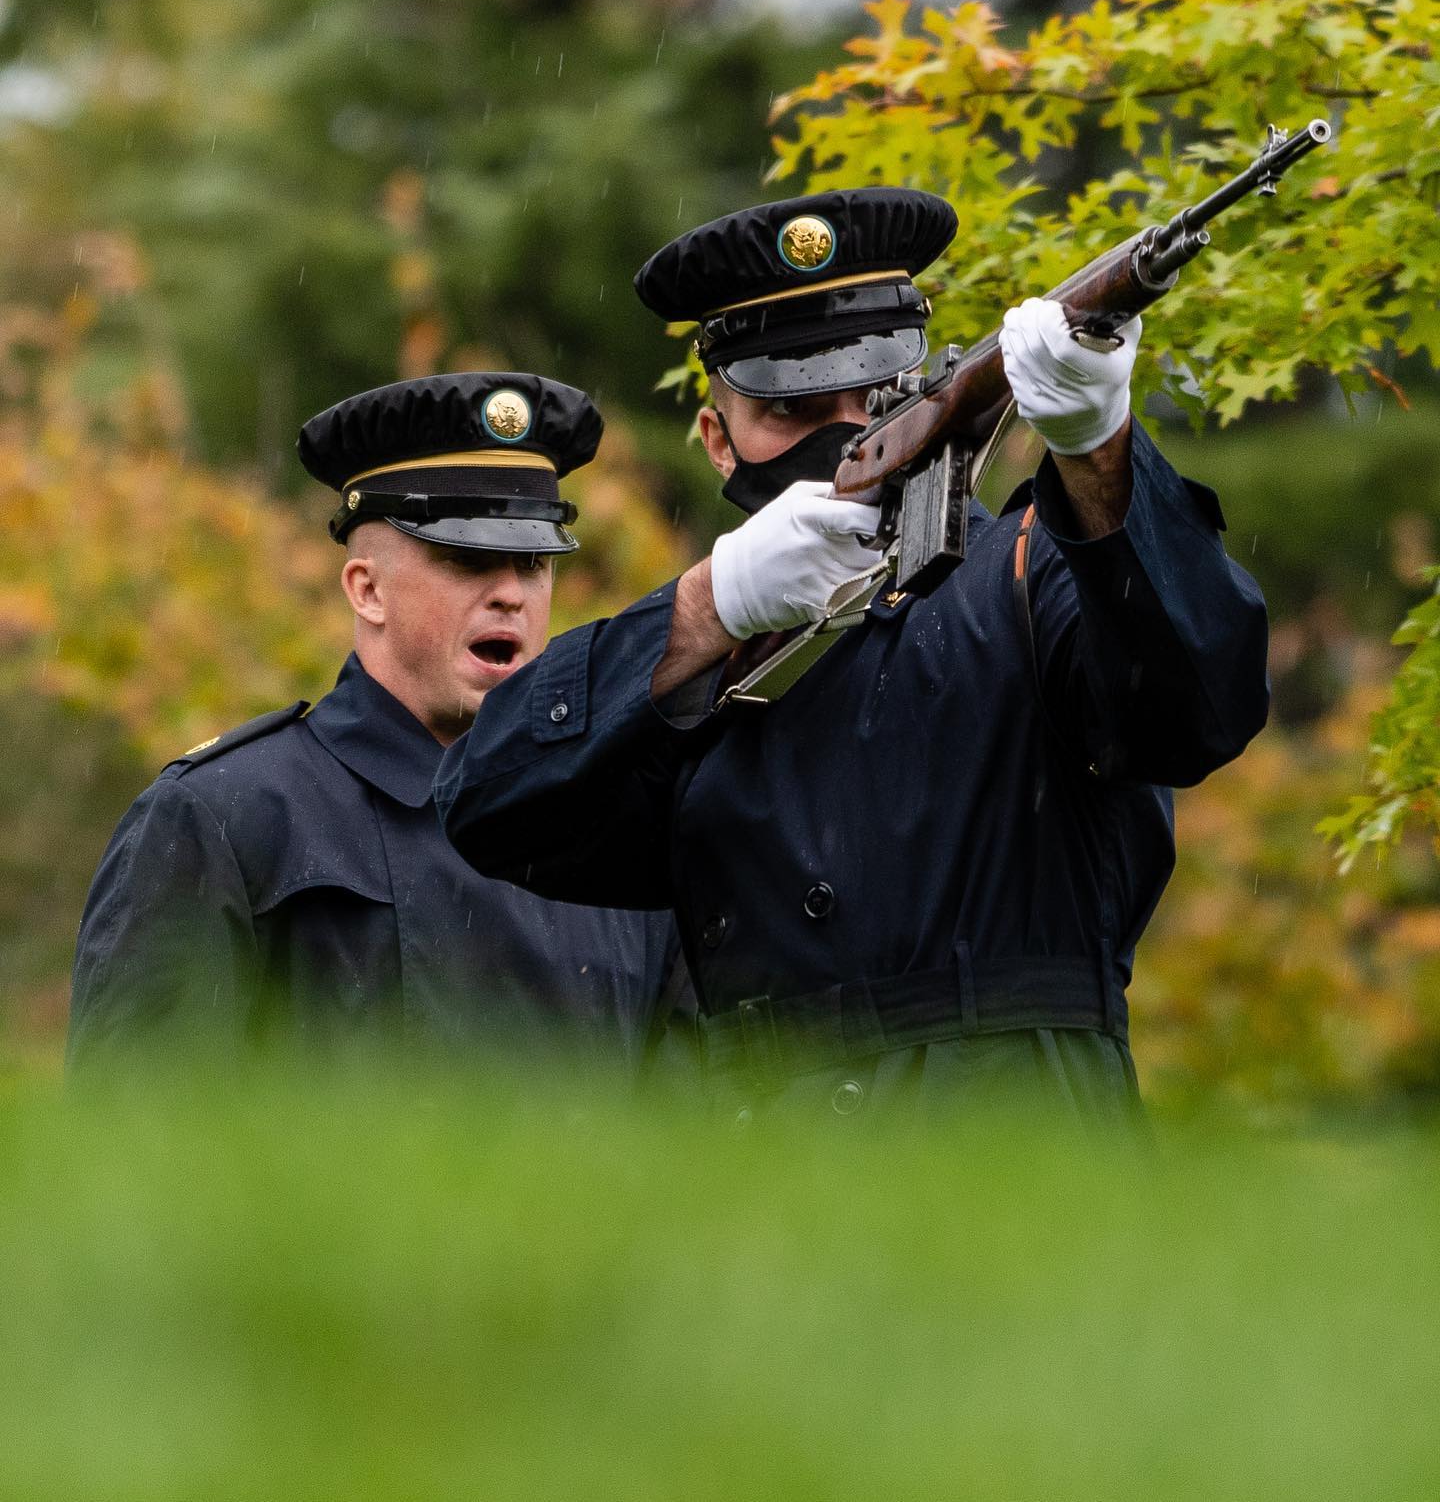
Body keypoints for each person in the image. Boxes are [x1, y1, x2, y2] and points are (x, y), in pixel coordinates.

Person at [434, 190, 1270, 1124]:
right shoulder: (699, 651)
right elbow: (486, 801)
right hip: (776, 1199)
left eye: (873, 391)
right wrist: (709, 605)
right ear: (719, 440)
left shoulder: (1041, 567)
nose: (841, 426)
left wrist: (1101, 451)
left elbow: (1205, 700)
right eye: (792, 405)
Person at [68, 371, 681, 1075]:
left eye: (534, 562)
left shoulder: (619, 826)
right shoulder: (227, 818)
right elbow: (135, 1145)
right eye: (469, 560)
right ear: (367, 589)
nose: (511, 593)